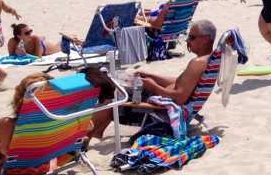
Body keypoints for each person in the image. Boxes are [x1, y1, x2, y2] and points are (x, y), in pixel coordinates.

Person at [90, 20, 218, 138]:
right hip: (163, 104)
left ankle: (90, 135)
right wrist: (150, 76)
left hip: (160, 114)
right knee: (119, 84)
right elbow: (180, 83)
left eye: (192, 37)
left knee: (110, 94)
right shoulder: (208, 60)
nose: (187, 41)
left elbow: (180, 97)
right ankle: (95, 132)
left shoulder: (197, 63)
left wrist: (153, 86)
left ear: (206, 39)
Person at [0, 73, 51, 161]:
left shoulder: (7, 125)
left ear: (19, 97)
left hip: (14, 172)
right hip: (44, 169)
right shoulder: (58, 120)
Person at [7, 23, 82, 57]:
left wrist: (25, 55)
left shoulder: (35, 38)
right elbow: (11, 56)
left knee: (60, 46)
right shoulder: (12, 42)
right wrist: (17, 53)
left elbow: (38, 57)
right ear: (19, 36)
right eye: (27, 33)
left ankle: (72, 36)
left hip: (47, 48)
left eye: (31, 31)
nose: (30, 34)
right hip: (39, 44)